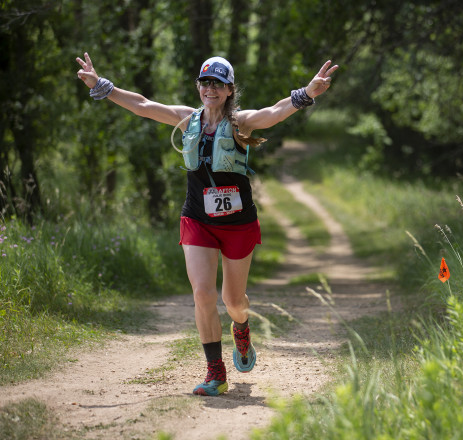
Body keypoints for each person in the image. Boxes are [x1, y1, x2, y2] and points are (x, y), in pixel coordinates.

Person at [75, 52, 339, 396]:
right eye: (205, 82)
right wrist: (102, 86)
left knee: (233, 301)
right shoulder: (188, 119)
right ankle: (216, 372)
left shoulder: (240, 122)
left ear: (229, 89)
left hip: (238, 223)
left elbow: (273, 113)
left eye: (218, 83)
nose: (210, 88)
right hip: (197, 218)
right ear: (198, 87)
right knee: (203, 293)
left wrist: (307, 93)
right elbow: (142, 104)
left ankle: (241, 329)